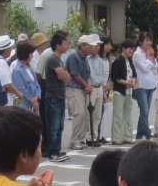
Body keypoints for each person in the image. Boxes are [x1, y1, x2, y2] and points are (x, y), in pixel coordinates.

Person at [40, 31, 70, 161]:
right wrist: (64, 75)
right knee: (54, 125)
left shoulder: (59, 60)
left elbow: (66, 77)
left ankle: (57, 149)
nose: (67, 46)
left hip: (60, 96)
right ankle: (52, 152)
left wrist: (64, 75)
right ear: (58, 46)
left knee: (60, 126)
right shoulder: (52, 59)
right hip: (53, 97)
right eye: (65, 43)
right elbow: (63, 75)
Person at [65, 34, 96, 149]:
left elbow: (87, 75)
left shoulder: (85, 59)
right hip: (74, 88)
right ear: (82, 46)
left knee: (85, 114)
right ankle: (74, 140)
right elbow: (75, 75)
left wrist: (88, 86)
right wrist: (86, 85)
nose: (92, 48)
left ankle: (81, 138)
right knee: (79, 113)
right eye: (89, 46)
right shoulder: (74, 57)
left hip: (82, 88)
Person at [109, 40, 137, 144]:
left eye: (132, 49)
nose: (131, 51)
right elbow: (115, 77)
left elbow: (134, 74)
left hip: (129, 91)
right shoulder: (117, 61)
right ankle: (116, 137)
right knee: (118, 114)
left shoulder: (130, 61)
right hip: (119, 91)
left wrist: (133, 81)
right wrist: (126, 82)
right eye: (130, 49)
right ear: (123, 49)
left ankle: (127, 136)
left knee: (128, 114)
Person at [133, 35, 158, 140]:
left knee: (145, 111)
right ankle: (147, 132)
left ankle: (139, 133)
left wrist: (152, 56)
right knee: (144, 111)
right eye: (146, 40)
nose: (149, 43)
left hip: (150, 85)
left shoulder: (148, 53)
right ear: (141, 42)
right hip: (141, 86)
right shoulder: (137, 54)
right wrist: (148, 57)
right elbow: (144, 68)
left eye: (150, 40)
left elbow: (155, 66)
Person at [88, 40, 110, 145]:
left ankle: (95, 136)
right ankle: (88, 137)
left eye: (99, 46)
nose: (98, 48)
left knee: (97, 115)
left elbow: (101, 75)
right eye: (96, 45)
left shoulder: (99, 60)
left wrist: (103, 90)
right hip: (90, 87)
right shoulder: (87, 59)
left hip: (99, 87)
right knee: (89, 113)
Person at [12, 39, 42, 114]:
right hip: (24, 107)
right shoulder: (17, 70)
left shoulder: (30, 68)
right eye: (31, 53)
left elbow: (37, 85)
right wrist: (33, 102)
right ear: (25, 54)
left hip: (34, 106)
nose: (32, 56)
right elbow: (21, 89)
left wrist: (37, 97)